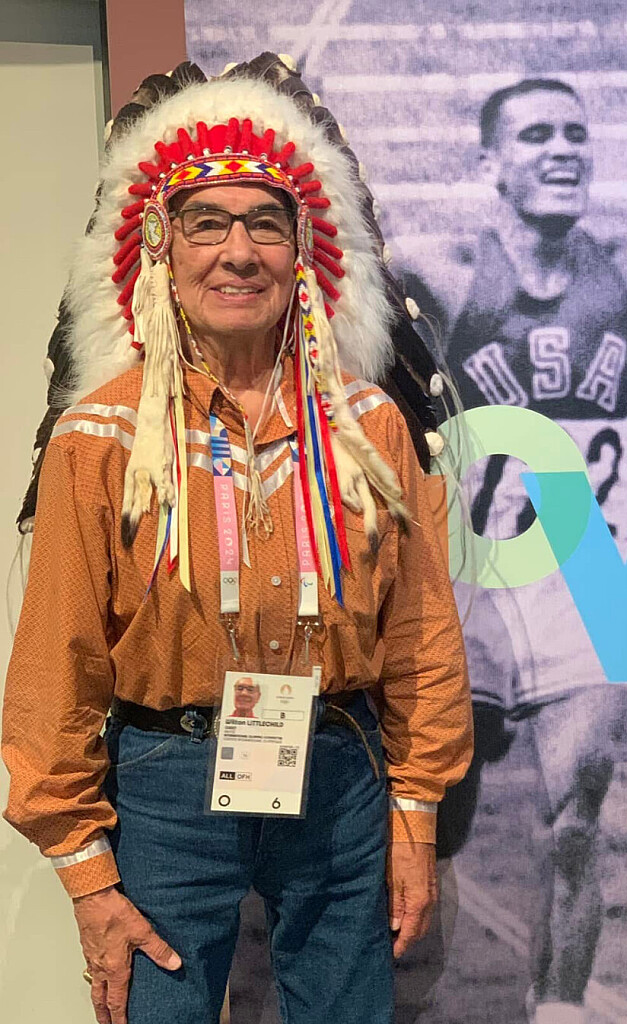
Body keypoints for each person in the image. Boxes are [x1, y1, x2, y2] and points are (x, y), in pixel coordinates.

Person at [2, 56, 472, 1024]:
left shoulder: (368, 427)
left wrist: (415, 812)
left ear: (302, 250)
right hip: (165, 782)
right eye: (207, 223)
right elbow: (56, 663)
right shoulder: (103, 438)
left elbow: (421, 634)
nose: (238, 251)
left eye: (264, 222)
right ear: (161, 248)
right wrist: (88, 878)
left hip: (338, 772)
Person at [401, 76, 627, 1023]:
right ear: (491, 162)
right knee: (436, 821)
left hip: (590, 578)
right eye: (535, 135)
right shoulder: (449, 269)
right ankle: (405, 998)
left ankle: (556, 1012)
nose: (561, 148)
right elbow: (329, 249)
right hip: (478, 577)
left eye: (573, 132)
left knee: (574, 820)